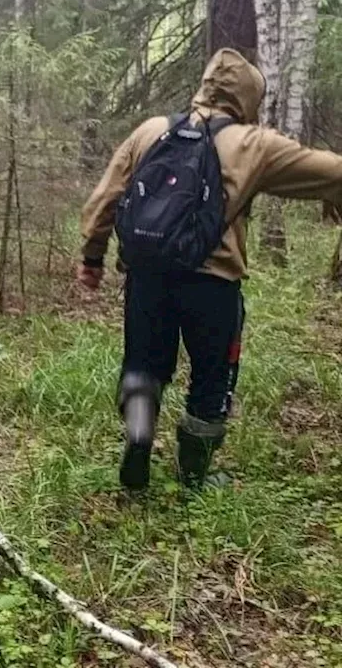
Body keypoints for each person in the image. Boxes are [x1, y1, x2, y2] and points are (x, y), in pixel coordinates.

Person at [79, 48, 342, 492]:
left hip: (148, 277)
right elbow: (331, 171)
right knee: (212, 376)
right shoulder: (252, 143)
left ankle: (138, 444)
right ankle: (193, 477)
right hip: (213, 284)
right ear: (247, 97)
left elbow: (106, 196)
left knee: (144, 365)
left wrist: (92, 257)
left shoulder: (152, 131)